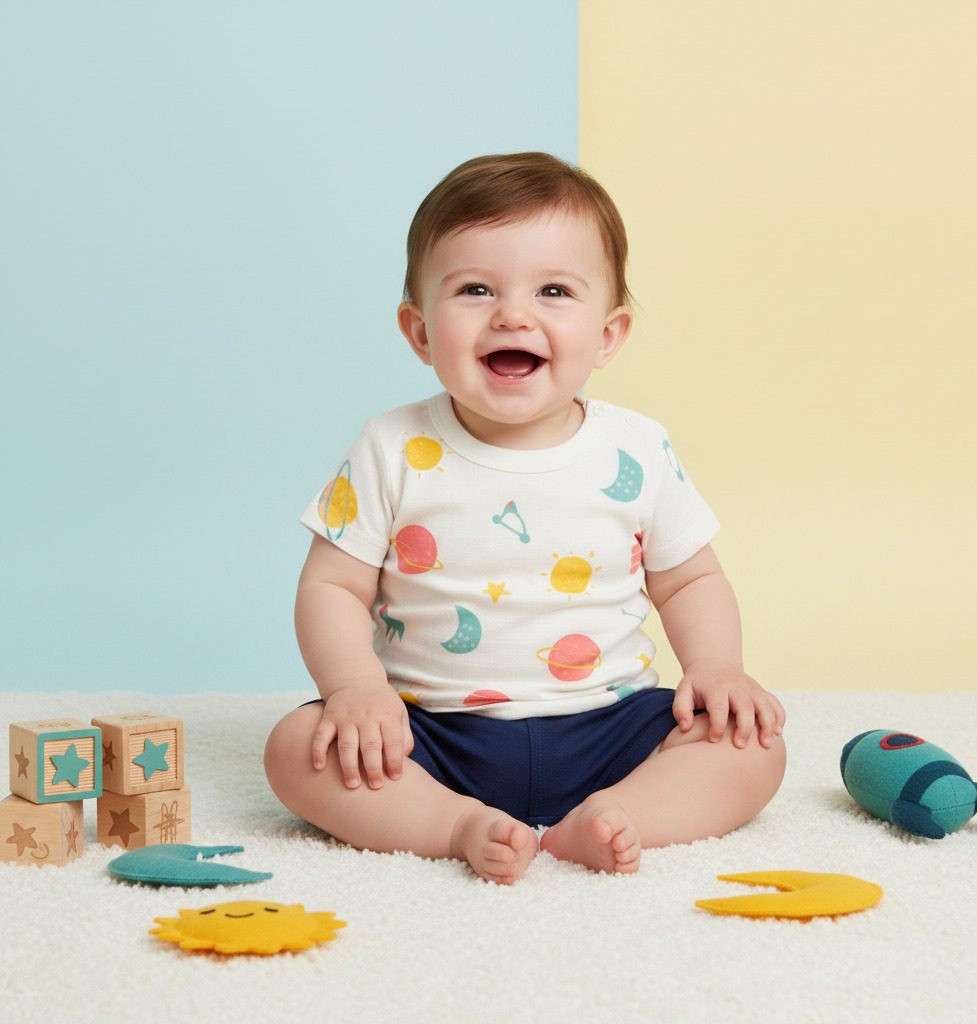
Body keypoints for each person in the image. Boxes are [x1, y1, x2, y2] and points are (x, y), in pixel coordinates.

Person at [264, 152, 786, 884]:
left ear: (608, 335)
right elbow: (332, 588)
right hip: (431, 733)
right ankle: (454, 824)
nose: (514, 314)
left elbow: (690, 578)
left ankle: (623, 815)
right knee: (296, 747)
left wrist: (716, 667)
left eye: (554, 291)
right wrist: (355, 690)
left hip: (610, 726)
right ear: (418, 331)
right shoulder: (392, 447)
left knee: (752, 745)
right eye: (475, 289)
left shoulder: (635, 448)